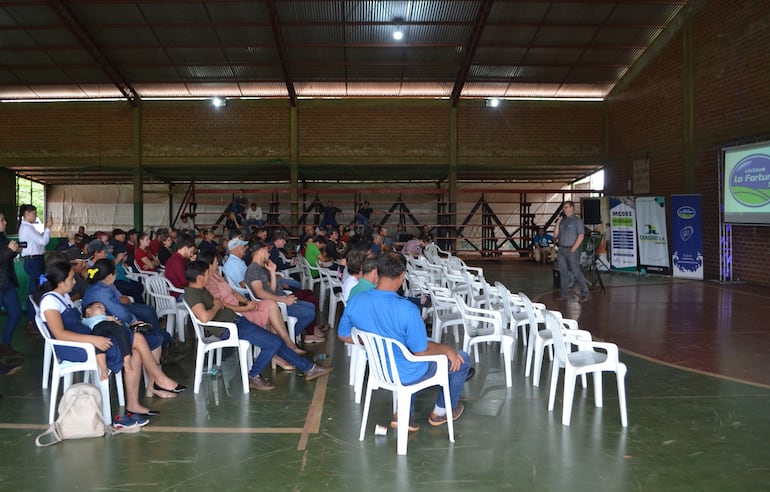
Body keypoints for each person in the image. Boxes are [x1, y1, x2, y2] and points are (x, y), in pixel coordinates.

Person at [338, 252, 470, 430]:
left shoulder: (356, 301)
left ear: (377, 272)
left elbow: (343, 335)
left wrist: (370, 342)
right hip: (407, 372)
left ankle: (403, 414)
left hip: (379, 370)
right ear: (401, 277)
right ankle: (441, 412)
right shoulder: (407, 309)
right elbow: (420, 351)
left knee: (409, 353)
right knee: (461, 359)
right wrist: (447, 349)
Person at [39, 261, 184, 419]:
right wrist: (94, 340)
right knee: (137, 338)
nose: (75, 282)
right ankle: (159, 379)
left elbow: (78, 322)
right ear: (61, 281)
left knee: (135, 350)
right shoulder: (49, 302)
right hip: (76, 348)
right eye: (72, 278)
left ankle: (135, 402)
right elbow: (60, 334)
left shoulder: (63, 296)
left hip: (87, 340)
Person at [184, 260, 332, 391]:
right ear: (199, 277)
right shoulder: (192, 294)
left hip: (236, 321)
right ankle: (254, 375)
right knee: (274, 342)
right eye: (207, 274)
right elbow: (204, 318)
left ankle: (309, 368)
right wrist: (217, 306)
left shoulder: (200, 289)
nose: (209, 276)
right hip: (229, 328)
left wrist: (220, 305)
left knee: (275, 341)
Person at [197, 249, 305, 361]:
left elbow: (233, 292)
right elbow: (222, 305)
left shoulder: (216, 275)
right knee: (272, 312)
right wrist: (244, 308)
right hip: (233, 314)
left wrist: (246, 301)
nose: (217, 263)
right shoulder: (208, 282)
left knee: (272, 306)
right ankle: (283, 349)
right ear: (209, 265)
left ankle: (280, 350)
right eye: (215, 262)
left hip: (241, 307)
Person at [81, 259, 177, 373]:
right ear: (110, 276)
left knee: (147, 315)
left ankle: (165, 344)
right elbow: (121, 313)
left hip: (111, 322)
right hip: (108, 329)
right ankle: (162, 351)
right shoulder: (101, 290)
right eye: (115, 273)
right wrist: (133, 321)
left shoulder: (99, 286)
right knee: (148, 328)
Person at [245, 242, 325, 343]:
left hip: (280, 299)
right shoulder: (253, 269)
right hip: (277, 305)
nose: (269, 254)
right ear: (261, 251)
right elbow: (260, 293)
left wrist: (272, 272)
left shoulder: (261, 268)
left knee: (311, 306)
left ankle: (288, 336)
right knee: (309, 313)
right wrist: (284, 300)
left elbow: (271, 290)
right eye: (267, 251)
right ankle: (288, 338)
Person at [18, 204, 53, 329]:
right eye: (34, 213)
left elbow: (39, 243)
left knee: (37, 289)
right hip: (34, 262)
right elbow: (43, 241)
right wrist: (48, 228)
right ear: (27, 214)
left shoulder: (29, 228)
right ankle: (31, 321)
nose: (35, 215)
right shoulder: (27, 228)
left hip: (35, 261)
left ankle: (33, 320)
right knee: (34, 291)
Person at [82, 301, 133, 381]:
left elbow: (119, 323)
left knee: (121, 331)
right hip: (97, 328)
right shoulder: (85, 320)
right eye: (99, 307)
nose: (103, 309)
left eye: (104, 309)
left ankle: (127, 359)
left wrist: (114, 321)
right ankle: (103, 368)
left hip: (109, 324)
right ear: (88, 311)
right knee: (99, 342)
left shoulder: (106, 317)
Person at [554, 200, 591, 303]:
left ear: (571, 208)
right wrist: (557, 223)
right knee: (563, 272)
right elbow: (555, 235)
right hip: (561, 249)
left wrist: (573, 249)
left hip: (572, 249)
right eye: (563, 208)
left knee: (576, 272)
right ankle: (564, 294)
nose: (564, 209)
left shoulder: (577, 221)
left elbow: (581, 236)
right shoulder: (563, 221)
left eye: (566, 207)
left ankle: (586, 293)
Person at [0, 213, 23, 359]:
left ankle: (5, 344)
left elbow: (5, 257)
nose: (5, 222)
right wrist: (9, 251)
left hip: (6, 282)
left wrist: (14, 251)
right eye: (2, 220)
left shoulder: (2, 237)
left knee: (16, 313)